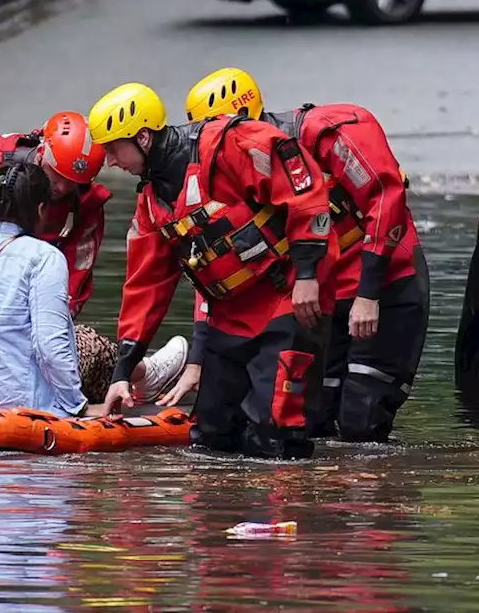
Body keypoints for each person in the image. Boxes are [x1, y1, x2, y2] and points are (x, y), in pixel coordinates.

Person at [87, 81, 338, 459]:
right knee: (211, 436)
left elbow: (306, 196)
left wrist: (306, 276)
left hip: (287, 297)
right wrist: (122, 372)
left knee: (275, 433)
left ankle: (291, 511)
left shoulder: (230, 145)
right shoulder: (153, 202)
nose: (109, 162)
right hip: (230, 315)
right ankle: (217, 516)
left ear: (141, 137)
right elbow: (145, 286)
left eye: (112, 149)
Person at [182, 67, 430, 443]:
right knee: (307, 421)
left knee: (361, 420)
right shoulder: (231, 176)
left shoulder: (330, 131)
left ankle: (372, 497)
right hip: (321, 301)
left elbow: (385, 199)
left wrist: (368, 294)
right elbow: (221, 272)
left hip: (385, 286)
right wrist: (199, 356)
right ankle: (310, 501)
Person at [0, 159, 183, 415]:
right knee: (87, 342)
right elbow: (51, 346)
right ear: (40, 209)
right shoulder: (44, 257)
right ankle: (146, 373)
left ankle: (144, 372)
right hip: (19, 406)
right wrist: (76, 405)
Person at [0, 110, 187, 403]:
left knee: (75, 341)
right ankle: (143, 373)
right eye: (56, 176)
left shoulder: (83, 208)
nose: (61, 188)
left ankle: (136, 371)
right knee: (87, 347)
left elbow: (73, 288)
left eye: (72, 182)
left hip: (10, 332)